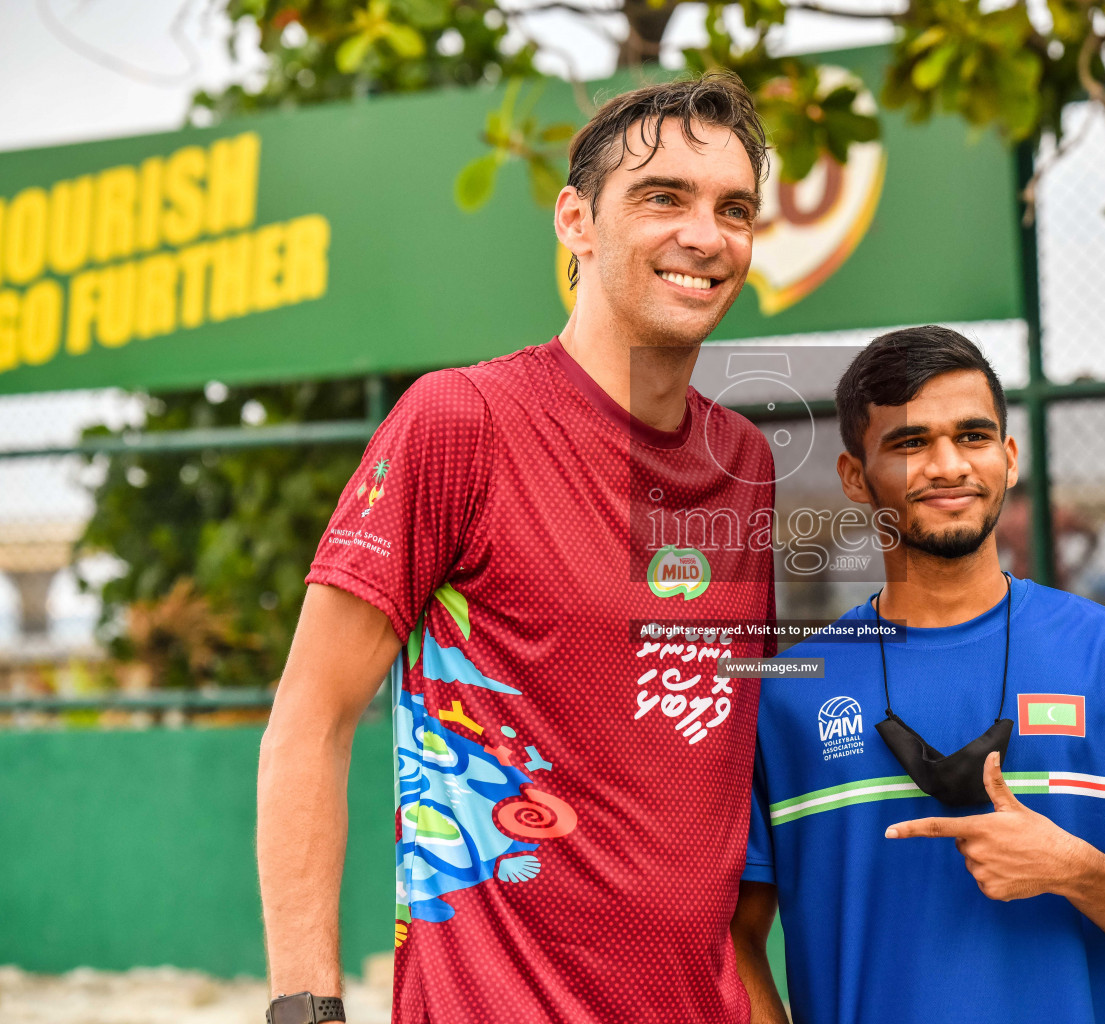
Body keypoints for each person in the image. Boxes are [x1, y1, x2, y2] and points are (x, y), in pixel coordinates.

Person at [257, 74, 779, 1024]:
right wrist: (305, 1005)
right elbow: (311, 718)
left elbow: (746, 764)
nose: (706, 235)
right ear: (577, 221)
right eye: (664, 197)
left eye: (733, 208)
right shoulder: (460, 421)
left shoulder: (749, 465)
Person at [732, 326, 1105, 1024]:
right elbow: (733, 939)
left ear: (1009, 456)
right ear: (854, 476)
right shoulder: (787, 692)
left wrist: (1078, 870)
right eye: (910, 443)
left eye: (972, 436)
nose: (947, 465)